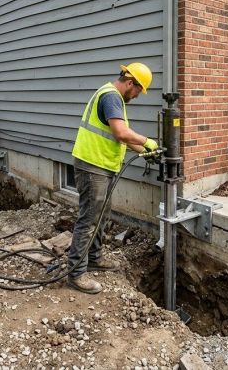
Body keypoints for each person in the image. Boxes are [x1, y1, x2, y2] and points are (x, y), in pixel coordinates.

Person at [66, 62, 159, 294]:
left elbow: (120, 137)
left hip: (102, 166)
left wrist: (145, 152)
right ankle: (76, 274)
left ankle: (95, 257)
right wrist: (147, 141)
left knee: (101, 215)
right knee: (89, 219)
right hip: (92, 166)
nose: (137, 96)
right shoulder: (111, 97)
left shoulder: (113, 97)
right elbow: (121, 132)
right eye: (138, 91)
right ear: (130, 83)